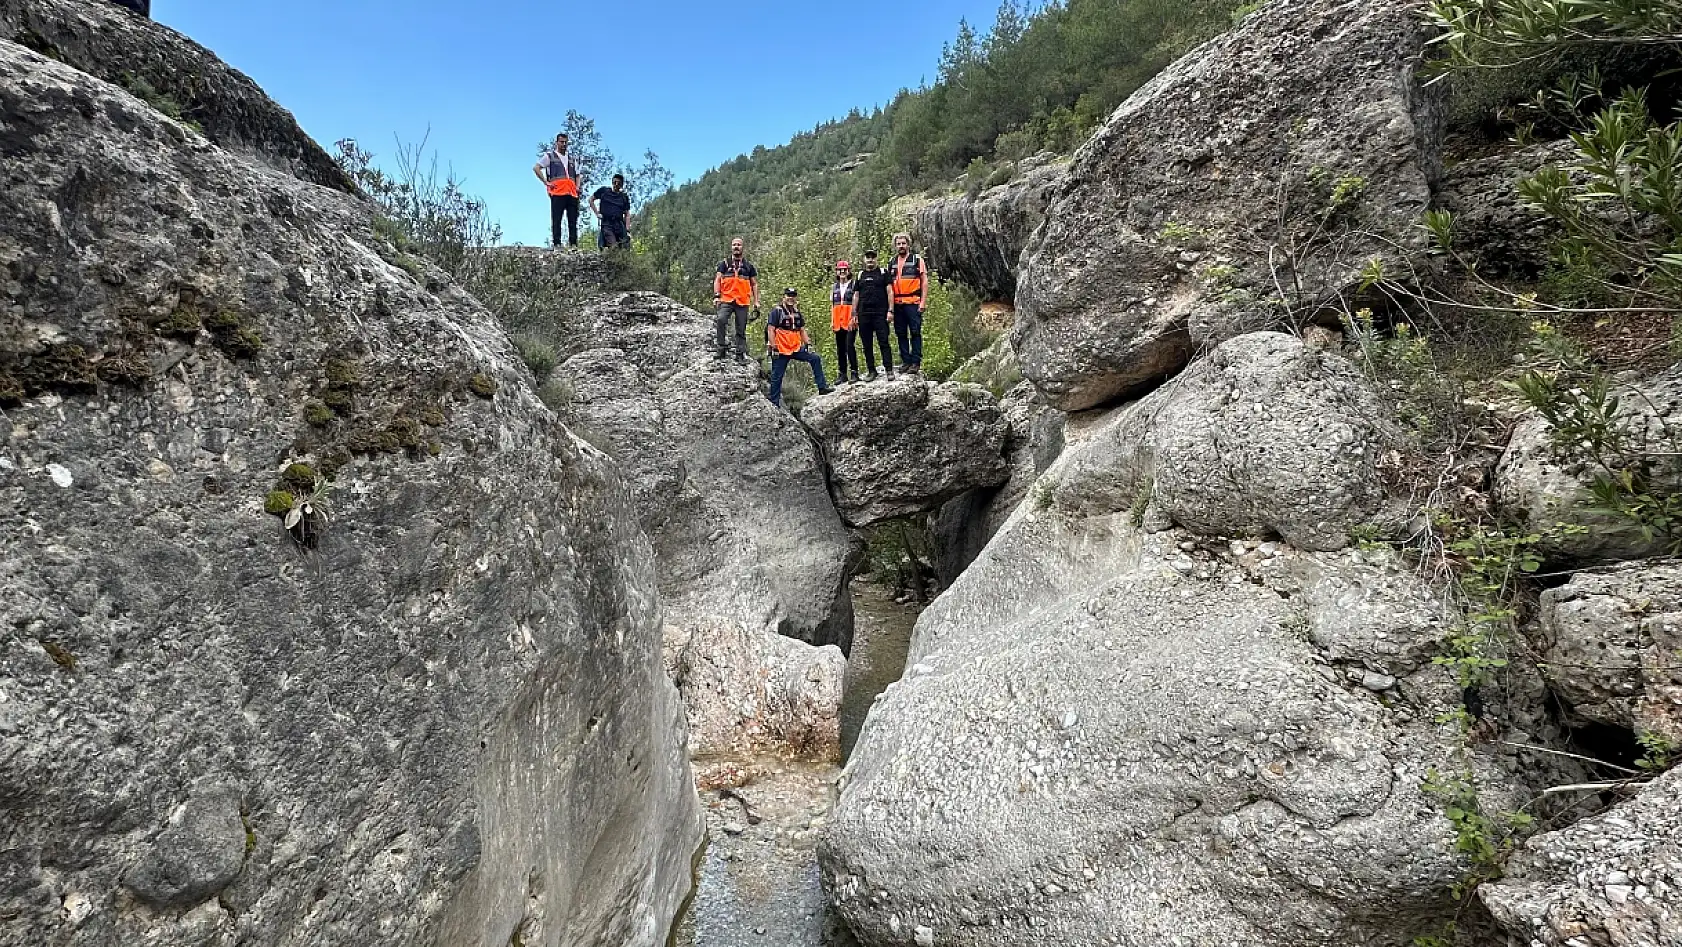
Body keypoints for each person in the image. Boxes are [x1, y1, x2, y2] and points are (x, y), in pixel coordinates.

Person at [767, 288, 831, 406]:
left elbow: (802, 330)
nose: (791, 298)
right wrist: (773, 346)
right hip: (781, 349)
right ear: (784, 297)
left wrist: (808, 344)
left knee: (815, 358)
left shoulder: (797, 313)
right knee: (777, 376)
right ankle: (774, 402)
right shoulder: (777, 312)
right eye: (788, 295)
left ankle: (822, 387)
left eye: (793, 296)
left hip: (795, 348)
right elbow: (770, 330)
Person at [713, 238, 760, 362]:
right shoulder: (724, 264)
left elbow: (754, 284)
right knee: (721, 320)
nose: (736, 247)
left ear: (742, 247)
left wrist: (756, 301)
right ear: (731, 247)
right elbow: (717, 280)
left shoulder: (749, 266)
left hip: (742, 301)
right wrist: (717, 296)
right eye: (734, 245)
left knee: (741, 328)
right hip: (726, 299)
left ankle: (740, 353)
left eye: (738, 245)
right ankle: (721, 348)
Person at [532, 133, 581, 248]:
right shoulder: (550, 156)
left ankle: (573, 244)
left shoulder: (572, 159)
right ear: (557, 142)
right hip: (557, 192)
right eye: (561, 142)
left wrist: (578, 187)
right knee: (557, 219)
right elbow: (536, 168)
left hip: (572, 193)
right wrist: (545, 182)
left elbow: (578, 174)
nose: (564, 144)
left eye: (565, 142)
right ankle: (557, 243)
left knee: (573, 220)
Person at [853, 249, 895, 380]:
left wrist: (891, 310)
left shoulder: (883, 273)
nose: (870, 259)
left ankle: (889, 370)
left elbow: (890, 292)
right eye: (868, 257)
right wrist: (854, 314)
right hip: (864, 314)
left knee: (884, 342)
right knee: (867, 345)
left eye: (873, 257)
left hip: (880, 314)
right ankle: (871, 371)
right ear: (864, 259)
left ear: (876, 259)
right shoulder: (860, 275)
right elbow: (856, 295)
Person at [890, 232, 927, 373]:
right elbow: (889, 286)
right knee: (901, 333)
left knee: (915, 332)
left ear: (908, 244)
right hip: (897, 303)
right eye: (898, 244)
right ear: (895, 246)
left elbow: (924, 282)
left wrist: (922, 302)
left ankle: (915, 362)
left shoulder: (917, 260)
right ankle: (906, 361)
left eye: (903, 243)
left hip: (913, 302)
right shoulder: (891, 262)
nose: (901, 246)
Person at [831, 261, 861, 384]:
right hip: (838, 321)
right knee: (840, 348)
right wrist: (832, 321)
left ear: (849, 271)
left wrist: (855, 317)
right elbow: (833, 305)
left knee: (849, 346)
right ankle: (842, 373)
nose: (842, 272)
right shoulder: (834, 287)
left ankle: (854, 372)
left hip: (850, 320)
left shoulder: (854, 285)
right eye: (840, 270)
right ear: (837, 272)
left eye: (845, 269)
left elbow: (858, 302)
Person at [591, 174, 632, 249]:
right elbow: (591, 200)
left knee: (625, 247)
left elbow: (627, 214)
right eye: (614, 182)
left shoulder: (623, 197)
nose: (616, 184)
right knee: (613, 246)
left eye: (619, 183)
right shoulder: (604, 191)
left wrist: (627, 230)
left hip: (619, 224)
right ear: (612, 182)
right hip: (607, 224)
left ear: (621, 185)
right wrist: (597, 213)